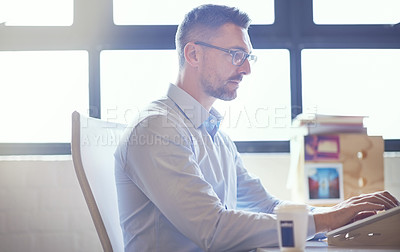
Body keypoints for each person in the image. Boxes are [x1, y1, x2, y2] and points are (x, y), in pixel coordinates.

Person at [114, 4, 399, 251]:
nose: (246, 69)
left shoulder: (215, 136)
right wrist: (325, 220)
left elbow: (266, 206)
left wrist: (338, 214)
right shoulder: (156, 129)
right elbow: (213, 229)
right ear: (193, 54)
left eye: (247, 57)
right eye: (235, 54)